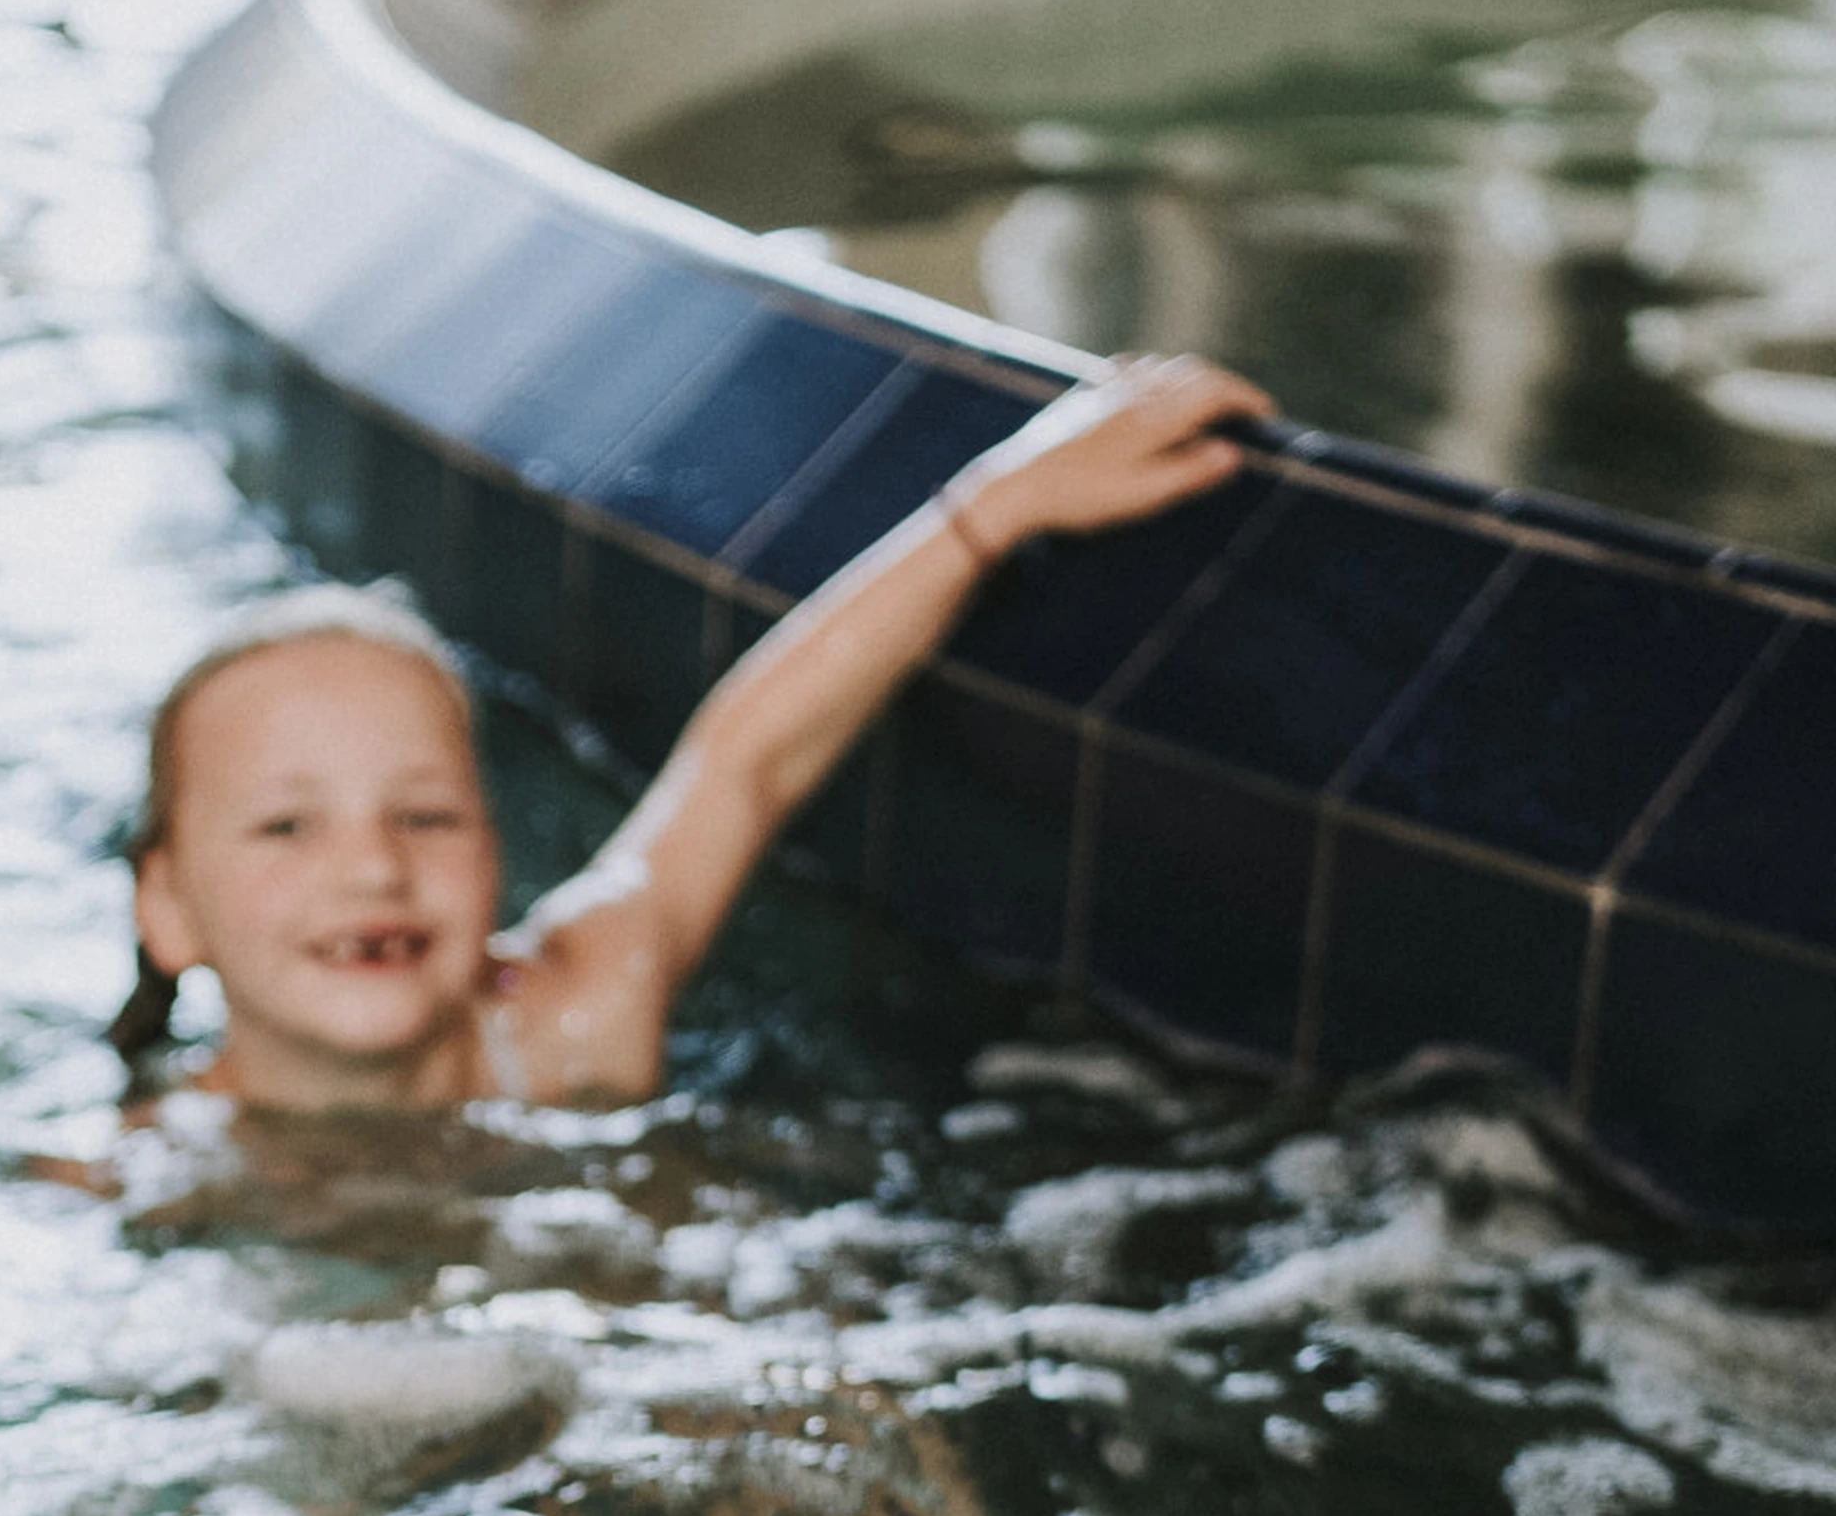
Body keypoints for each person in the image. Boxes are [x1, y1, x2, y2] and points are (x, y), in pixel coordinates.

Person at [107, 351, 1272, 1115]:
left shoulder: (569, 1024)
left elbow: (749, 760)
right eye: (285, 825)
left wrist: (999, 502)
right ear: (166, 908)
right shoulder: (138, 1174)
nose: (373, 866)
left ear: (500, 855)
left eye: (425, 815)